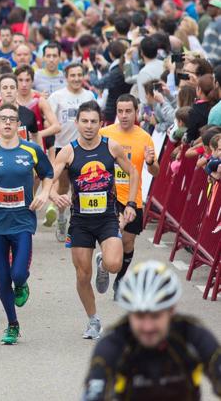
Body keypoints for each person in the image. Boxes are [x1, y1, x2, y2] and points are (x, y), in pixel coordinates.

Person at [49, 100, 138, 339]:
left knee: (114, 265)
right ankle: (93, 319)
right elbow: (52, 176)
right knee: (82, 275)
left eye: (94, 122)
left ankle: (103, 264)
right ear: (77, 123)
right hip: (80, 221)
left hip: (108, 217)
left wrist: (130, 203)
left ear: (101, 123)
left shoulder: (112, 147)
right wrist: (52, 193)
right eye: (85, 121)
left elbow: (133, 172)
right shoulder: (68, 151)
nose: (89, 126)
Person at [0, 103, 54, 344]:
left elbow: (48, 174)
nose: (7, 123)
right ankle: (12, 324)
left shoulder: (31, 150)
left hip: (22, 221)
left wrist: (43, 194)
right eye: (3, 119)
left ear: (19, 125)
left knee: (18, 273)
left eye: (12, 119)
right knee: (3, 277)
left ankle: (23, 284)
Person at [82, 260, 221, 400]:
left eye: (155, 316)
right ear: (129, 313)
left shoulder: (192, 335)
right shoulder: (113, 344)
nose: (147, 327)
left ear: (171, 310)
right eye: (140, 316)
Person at [99, 94, 158, 300]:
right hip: (109, 196)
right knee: (114, 235)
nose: (124, 116)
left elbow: (155, 172)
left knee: (128, 242)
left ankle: (120, 279)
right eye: (120, 111)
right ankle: (106, 262)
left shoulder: (144, 137)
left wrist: (150, 162)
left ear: (136, 112)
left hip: (134, 196)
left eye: (128, 111)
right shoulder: (104, 133)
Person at [47, 63, 95, 241]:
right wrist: (51, 148)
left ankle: (79, 224)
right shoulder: (57, 96)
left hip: (84, 148)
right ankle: (61, 218)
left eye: (79, 75)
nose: (76, 78)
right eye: (72, 75)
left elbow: (96, 120)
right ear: (66, 77)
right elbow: (50, 123)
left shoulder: (89, 95)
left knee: (82, 187)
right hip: (62, 148)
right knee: (64, 186)